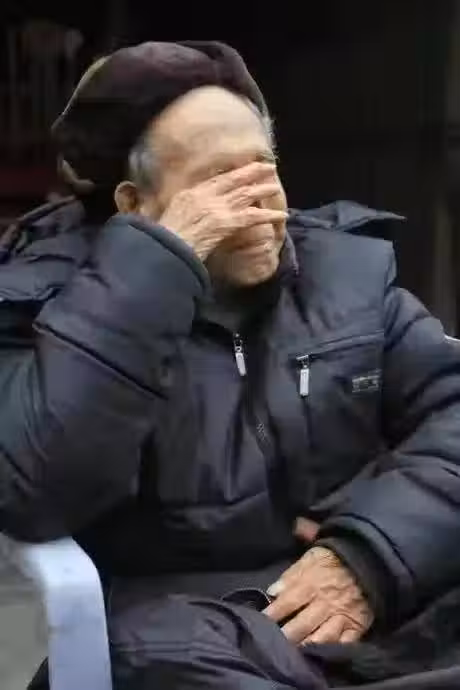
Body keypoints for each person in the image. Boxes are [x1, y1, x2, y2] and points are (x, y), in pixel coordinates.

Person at [2, 41, 460, 690]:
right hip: (189, 626)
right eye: (221, 179)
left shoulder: (344, 275)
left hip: (370, 591)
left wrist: (371, 552)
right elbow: (36, 493)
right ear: (135, 204)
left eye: (263, 169)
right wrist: (155, 268)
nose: (261, 203)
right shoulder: (43, 298)